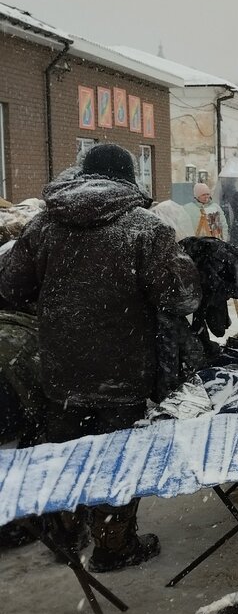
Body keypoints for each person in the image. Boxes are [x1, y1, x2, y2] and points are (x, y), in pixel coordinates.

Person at [0, 143, 201, 570]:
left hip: (62, 372)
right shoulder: (145, 229)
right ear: (129, 178)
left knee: (67, 454)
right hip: (123, 371)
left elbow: (9, 288)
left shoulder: (43, 226)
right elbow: (180, 297)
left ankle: (66, 538)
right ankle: (113, 547)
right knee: (118, 459)